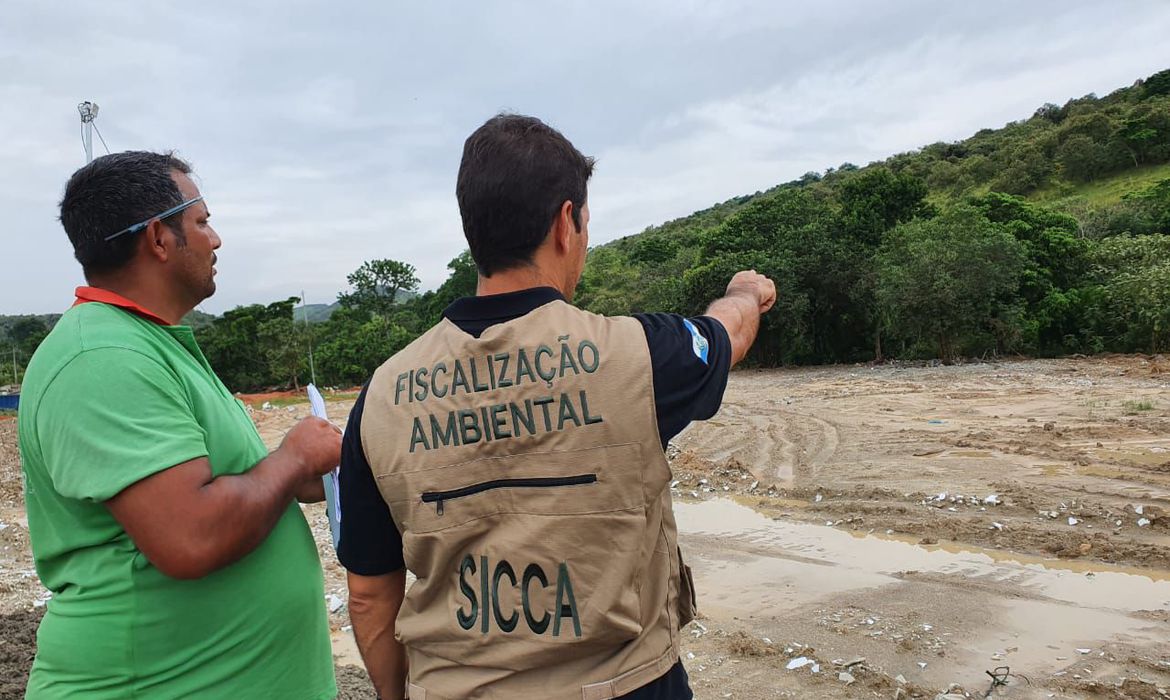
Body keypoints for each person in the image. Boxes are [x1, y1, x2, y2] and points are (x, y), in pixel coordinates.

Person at [339, 114, 775, 700]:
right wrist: (747, 292)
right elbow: (727, 333)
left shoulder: (382, 395)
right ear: (566, 223)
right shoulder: (640, 355)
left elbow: (369, 593)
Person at [18, 151, 341, 698]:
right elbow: (191, 535)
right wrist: (293, 460)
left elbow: (216, 483)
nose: (215, 239)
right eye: (201, 221)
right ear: (159, 239)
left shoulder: (148, 344)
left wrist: (297, 477)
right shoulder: (102, 357)